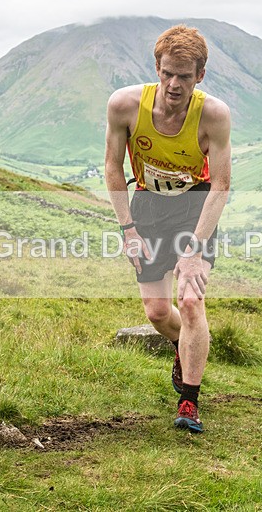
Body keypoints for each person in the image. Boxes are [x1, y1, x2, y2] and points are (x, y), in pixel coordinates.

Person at [105, 25, 231, 433]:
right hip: (147, 205)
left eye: (185, 76)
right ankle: (183, 345)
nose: (175, 85)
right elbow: (112, 167)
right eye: (167, 74)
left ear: (201, 75)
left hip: (195, 205)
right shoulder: (125, 105)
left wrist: (194, 251)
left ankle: (189, 401)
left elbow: (222, 184)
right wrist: (128, 229)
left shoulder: (214, 115)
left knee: (191, 300)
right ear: (156, 69)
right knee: (158, 312)